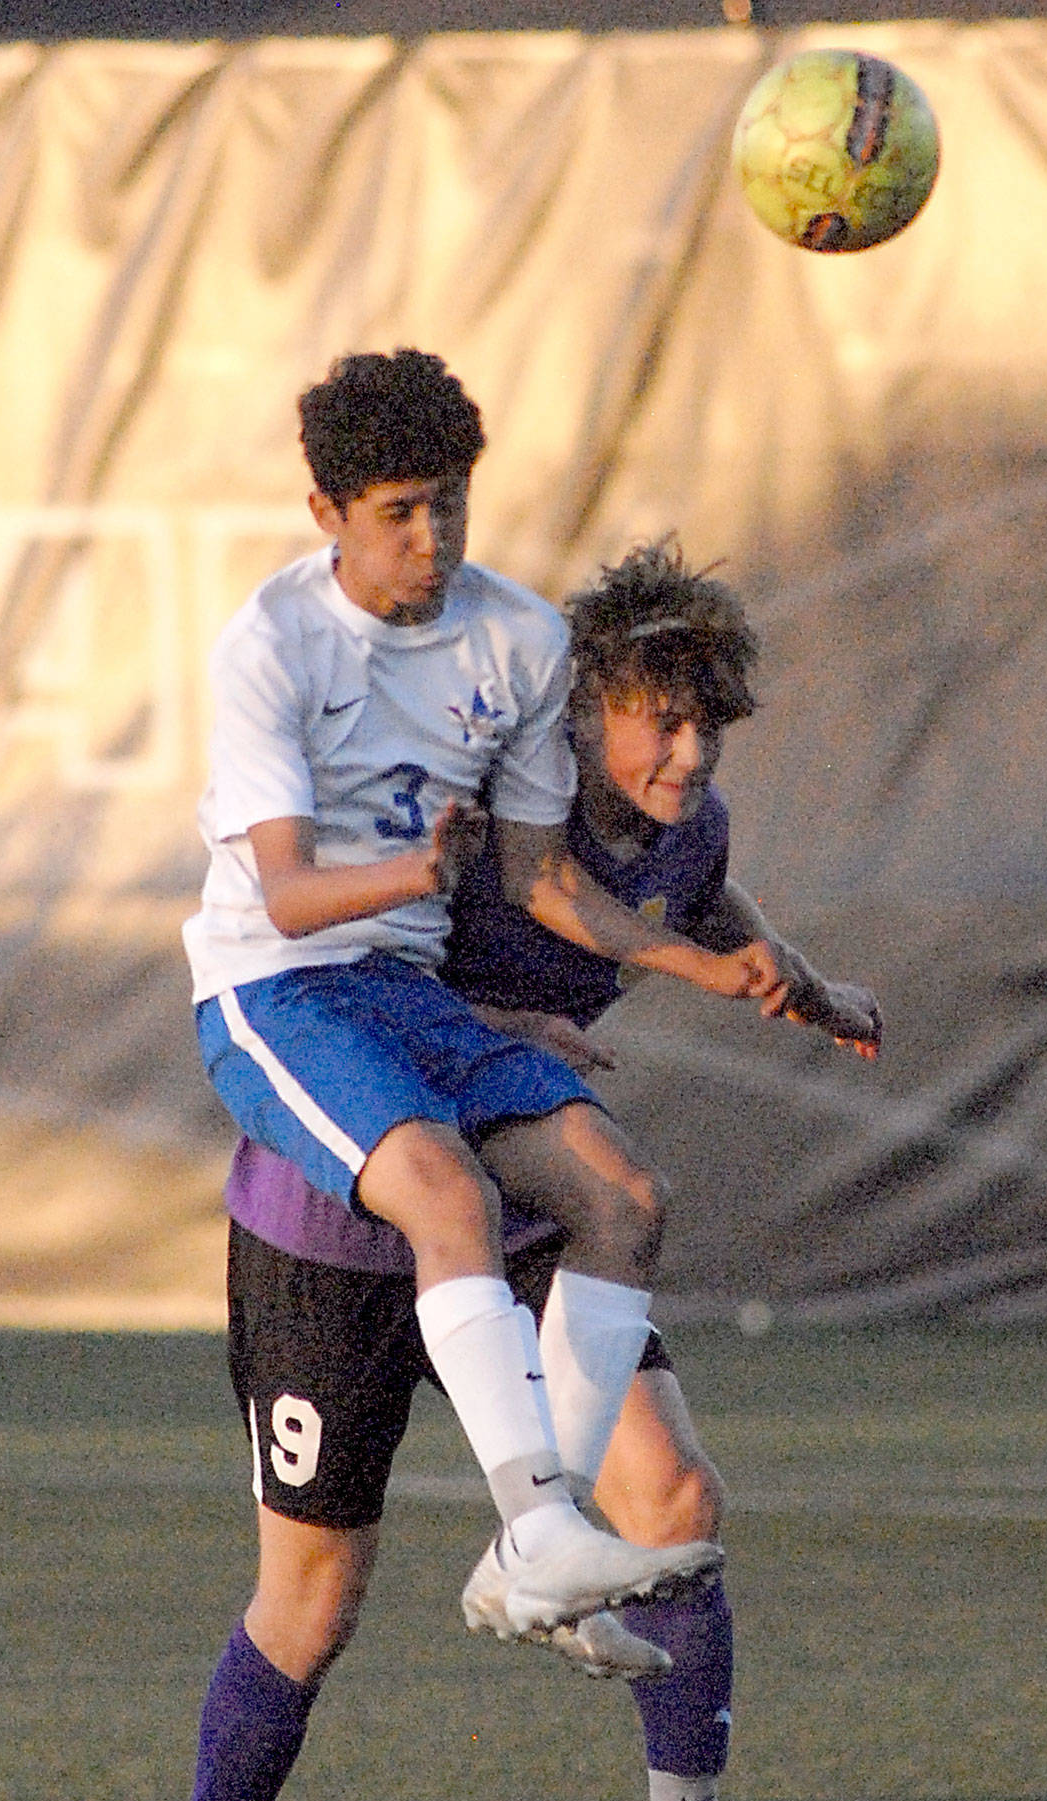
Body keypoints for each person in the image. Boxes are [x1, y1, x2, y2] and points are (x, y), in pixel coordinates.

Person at [136, 536, 881, 1801]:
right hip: (338, 1219)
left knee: (671, 1494)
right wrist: (499, 1031)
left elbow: (702, 895)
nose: (687, 751)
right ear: (582, 705)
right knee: (310, 1605)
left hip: (519, 1204)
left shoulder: (686, 821)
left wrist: (802, 979)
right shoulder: (492, 814)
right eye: (659, 718)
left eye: (708, 723)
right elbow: (372, 977)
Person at [178, 346, 801, 1663]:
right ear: (329, 516)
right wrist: (411, 874)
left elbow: (544, 881)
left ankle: (545, 1546)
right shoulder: (270, 645)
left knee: (626, 1198)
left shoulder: (516, 638)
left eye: (451, 501)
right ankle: (533, 1527)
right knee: (445, 1194)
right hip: (279, 986)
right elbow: (284, 900)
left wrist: (710, 965)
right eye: (401, 509)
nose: (434, 535)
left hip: (404, 996)